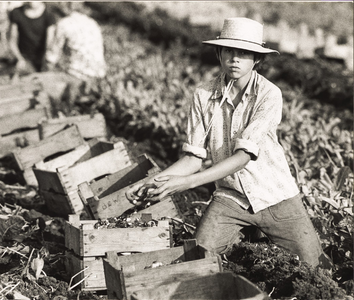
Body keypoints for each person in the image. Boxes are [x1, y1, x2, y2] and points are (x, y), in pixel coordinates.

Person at [126, 17, 332, 269]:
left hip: (275, 197)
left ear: (257, 59)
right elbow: (192, 158)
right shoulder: (203, 95)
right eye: (229, 51)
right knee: (196, 261)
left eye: (244, 53)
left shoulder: (269, 94)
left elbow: (243, 156)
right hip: (230, 198)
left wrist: (187, 183)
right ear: (218, 54)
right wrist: (151, 183)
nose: (235, 59)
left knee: (317, 269)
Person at [44, 2, 106, 82]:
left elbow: (51, 58)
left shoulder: (64, 23)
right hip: (99, 76)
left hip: (77, 76)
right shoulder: (92, 22)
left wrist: (45, 72)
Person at [8, 2, 56, 75]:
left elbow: (50, 42)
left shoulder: (49, 13)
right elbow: (12, 40)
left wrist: (46, 61)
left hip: (42, 60)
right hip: (23, 59)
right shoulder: (16, 13)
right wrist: (19, 59)